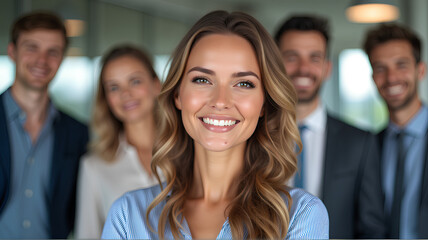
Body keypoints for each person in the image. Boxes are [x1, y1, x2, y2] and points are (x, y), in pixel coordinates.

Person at [101, 10, 329, 239]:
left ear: (264, 104)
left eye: (243, 83)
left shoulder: (300, 214)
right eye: (202, 80)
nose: (220, 101)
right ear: (178, 94)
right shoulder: (128, 215)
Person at [274, 15, 385, 238]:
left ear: (327, 68)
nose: (303, 68)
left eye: (314, 58)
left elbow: (372, 229)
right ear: (274, 64)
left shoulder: (360, 142)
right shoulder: (250, 135)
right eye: (292, 57)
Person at [0, 11, 88, 238]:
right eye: (32, 47)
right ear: (12, 52)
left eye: (53, 52)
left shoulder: (77, 133)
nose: (42, 60)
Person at [74, 45, 162, 239]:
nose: (125, 94)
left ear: (157, 85)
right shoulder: (94, 166)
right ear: (106, 98)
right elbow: (87, 235)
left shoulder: (190, 153)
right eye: (114, 87)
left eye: (135, 81)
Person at [363, 23, 428, 239]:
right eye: (380, 68)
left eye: (401, 65)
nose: (391, 77)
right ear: (373, 78)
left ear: (420, 70)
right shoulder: (368, 147)